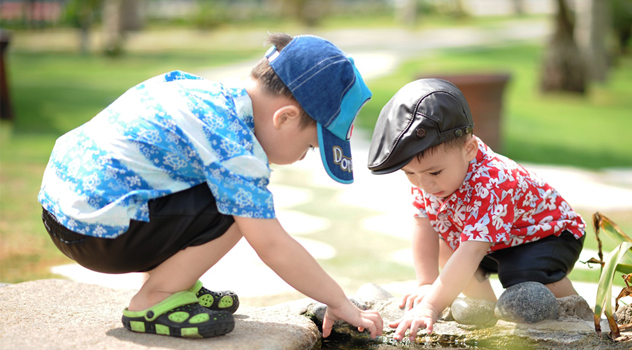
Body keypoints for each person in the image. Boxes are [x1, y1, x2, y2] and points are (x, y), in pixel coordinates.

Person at [38, 33, 382, 339]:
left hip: (63, 210)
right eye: (309, 148)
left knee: (220, 191)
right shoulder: (235, 147)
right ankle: (154, 299)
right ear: (286, 118)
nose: (301, 158)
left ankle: (175, 283)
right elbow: (272, 245)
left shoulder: (203, 94)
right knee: (241, 210)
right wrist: (337, 301)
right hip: (96, 233)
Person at [367, 79, 586, 341]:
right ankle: (486, 316)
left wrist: (430, 306)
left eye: (434, 172)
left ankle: (578, 316)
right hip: (495, 240)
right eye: (410, 173)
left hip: (548, 235)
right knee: (447, 245)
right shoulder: (427, 178)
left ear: (469, 149)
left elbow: (473, 250)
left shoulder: (493, 181)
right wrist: (427, 283)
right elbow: (423, 224)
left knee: (521, 275)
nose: (424, 184)